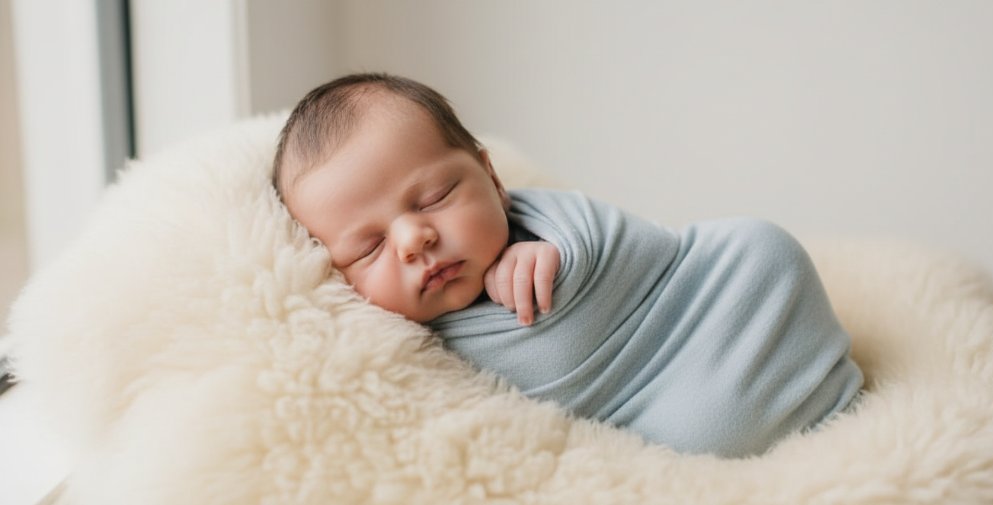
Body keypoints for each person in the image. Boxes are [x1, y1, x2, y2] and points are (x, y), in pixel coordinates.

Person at [273, 72, 864, 458]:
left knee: (761, 248)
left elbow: (648, 254)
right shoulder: (395, 346)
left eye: (432, 198)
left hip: (695, 299)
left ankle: (798, 387)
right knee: (699, 432)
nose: (413, 239)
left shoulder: (542, 224)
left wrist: (554, 251)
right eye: (368, 249)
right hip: (645, 405)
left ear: (493, 178)